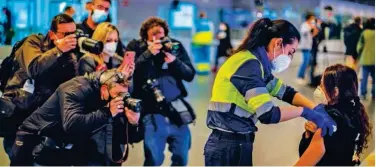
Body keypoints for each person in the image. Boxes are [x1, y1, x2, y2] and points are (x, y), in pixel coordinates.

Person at [204, 18, 336, 166]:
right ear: (278, 43)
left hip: (235, 142)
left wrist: (316, 109)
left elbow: (285, 92)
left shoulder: (258, 63)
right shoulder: (249, 65)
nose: (290, 58)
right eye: (290, 52)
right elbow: (268, 114)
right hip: (227, 147)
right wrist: (305, 112)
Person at [10, 65, 140, 166]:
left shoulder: (109, 98)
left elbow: (123, 138)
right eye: (118, 94)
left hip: (60, 148)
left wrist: (133, 123)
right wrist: (107, 113)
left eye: (124, 95)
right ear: (105, 89)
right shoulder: (75, 89)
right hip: (35, 142)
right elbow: (71, 124)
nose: (121, 99)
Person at [1, 13, 78, 158]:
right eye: (66, 34)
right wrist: (58, 50)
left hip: (43, 124)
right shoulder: (33, 42)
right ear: (52, 34)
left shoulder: (69, 56)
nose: (70, 38)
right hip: (19, 116)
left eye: (73, 34)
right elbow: (33, 69)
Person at [126, 17, 195, 166]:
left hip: (176, 109)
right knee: (153, 159)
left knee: (182, 156)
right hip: (152, 112)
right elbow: (130, 73)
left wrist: (174, 62)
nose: (159, 39)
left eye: (161, 36)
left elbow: (190, 75)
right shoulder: (136, 47)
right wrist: (148, 53)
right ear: (145, 37)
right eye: (154, 35)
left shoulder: (174, 47)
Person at [296, 64, 372, 166]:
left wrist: (307, 136)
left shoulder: (326, 121)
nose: (319, 89)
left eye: (322, 86)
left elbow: (304, 160)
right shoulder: (356, 113)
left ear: (335, 91)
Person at [297, 12, 319, 84]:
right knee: (305, 62)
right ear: (309, 18)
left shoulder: (310, 25)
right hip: (305, 47)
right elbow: (304, 32)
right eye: (312, 18)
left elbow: (313, 34)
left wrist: (315, 28)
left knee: (308, 62)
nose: (313, 19)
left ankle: (303, 76)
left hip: (309, 47)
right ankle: (300, 76)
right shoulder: (304, 25)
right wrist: (312, 27)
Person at [357, 17, 375, 100]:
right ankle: (374, 93)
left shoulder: (364, 33)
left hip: (365, 59)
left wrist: (359, 54)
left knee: (364, 77)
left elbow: (359, 46)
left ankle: (363, 93)